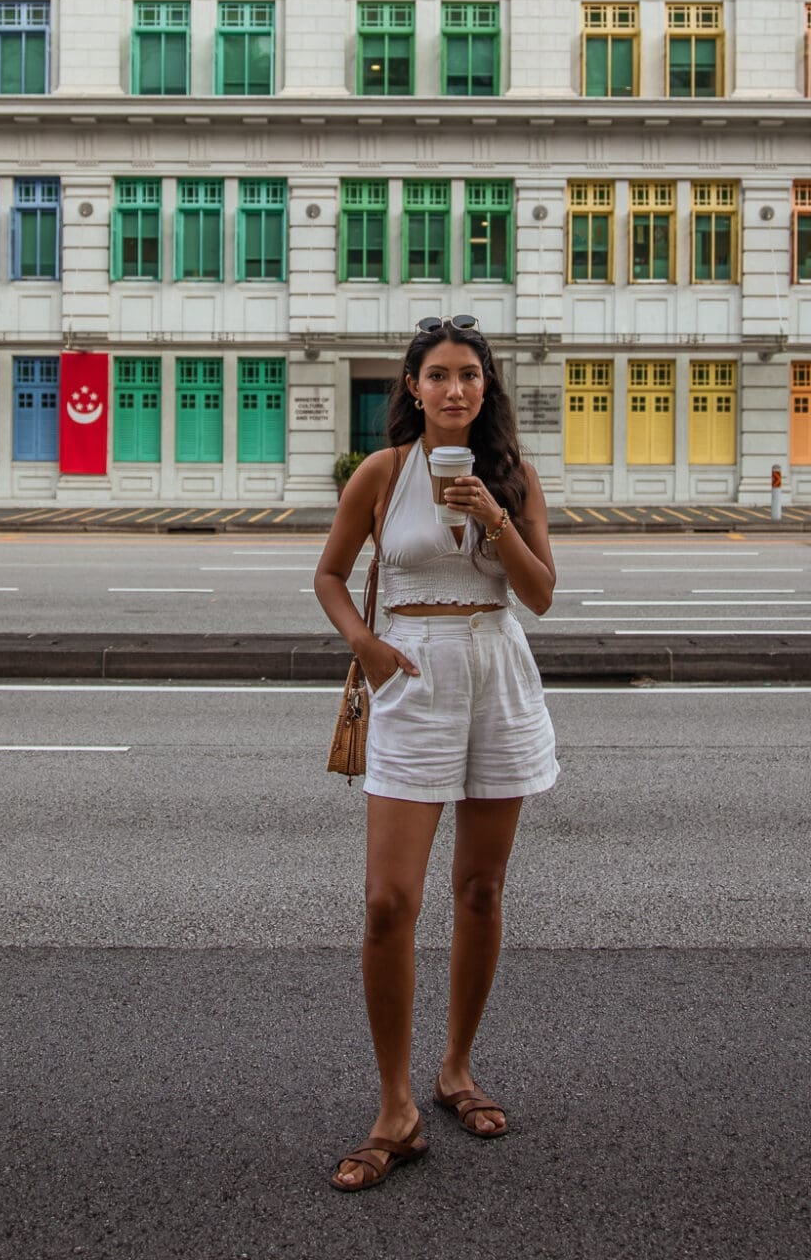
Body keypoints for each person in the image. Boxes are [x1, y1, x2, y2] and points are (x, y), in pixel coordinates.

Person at [314, 316, 559, 1193]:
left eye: (469, 375)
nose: (455, 389)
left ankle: (455, 1070)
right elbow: (330, 574)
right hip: (411, 678)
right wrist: (368, 649)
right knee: (388, 902)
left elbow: (540, 596)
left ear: (486, 388)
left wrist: (497, 518)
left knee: (481, 890)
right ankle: (395, 1107)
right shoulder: (381, 474)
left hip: (495, 673)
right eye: (438, 375)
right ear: (411, 388)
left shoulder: (513, 477)